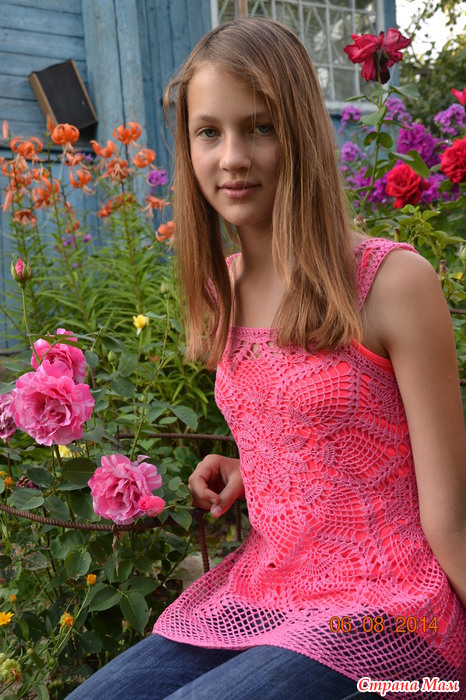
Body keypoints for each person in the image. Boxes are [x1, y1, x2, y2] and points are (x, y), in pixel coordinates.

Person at [67, 17, 466, 700]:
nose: (232, 157)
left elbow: (449, 512)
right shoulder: (223, 291)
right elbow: (326, 425)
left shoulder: (390, 283)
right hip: (271, 592)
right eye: (209, 132)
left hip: (393, 611)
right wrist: (253, 467)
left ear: (300, 133)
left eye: (260, 128)